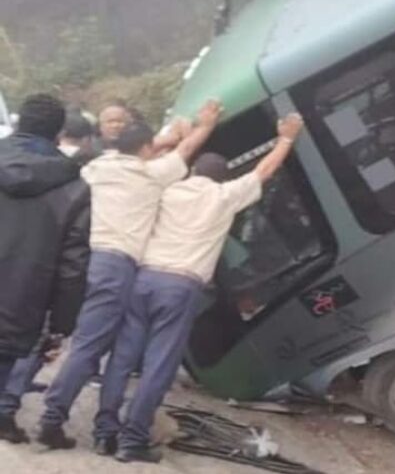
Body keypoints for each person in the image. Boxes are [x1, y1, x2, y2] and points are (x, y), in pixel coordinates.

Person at [96, 113, 305, 463]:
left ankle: (104, 433)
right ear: (222, 177)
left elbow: (146, 163)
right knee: (158, 365)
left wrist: (181, 137)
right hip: (179, 287)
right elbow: (263, 172)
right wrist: (286, 138)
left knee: (122, 357)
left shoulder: (166, 190)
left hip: (143, 279)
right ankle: (133, 440)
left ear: (193, 172)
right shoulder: (224, 196)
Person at [36, 99, 222, 451]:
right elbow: (185, 150)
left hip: (89, 260)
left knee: (77, 339)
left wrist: (169, 138)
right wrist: (205, 125)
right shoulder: (151, 175)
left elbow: (160, 148)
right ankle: (52, 418)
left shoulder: (100, 167)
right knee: (90, 347)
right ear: (148, 150)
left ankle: (77, 420)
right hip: (117, 268)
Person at [0, 95, 91, 443]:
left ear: (20, 122)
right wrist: (62, 323)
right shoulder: (74, 187)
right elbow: (73, 265)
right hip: (20, 303)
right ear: (58, 134)